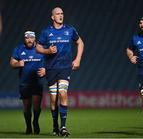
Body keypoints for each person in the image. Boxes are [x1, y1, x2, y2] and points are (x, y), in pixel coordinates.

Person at [36, 7, 84, 137]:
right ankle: (55, 125)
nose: (60, 15)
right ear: (52, 17)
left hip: (65, 67)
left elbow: (80, 43)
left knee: (63, 93)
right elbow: (38, 47)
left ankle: (63, 126)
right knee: (53, 98)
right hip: (51, 68)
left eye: (62, 13)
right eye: (57, 14)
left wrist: (78, 59)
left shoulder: (70, 29)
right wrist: (47, 51)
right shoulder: (46, 32)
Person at [10, 31, 45, 135]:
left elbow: (49, 62)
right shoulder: (19, 49)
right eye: (27, 38)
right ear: (24, 39)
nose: (29, 40)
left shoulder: (41, 49)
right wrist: (17, 63)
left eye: (31, 38)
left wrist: (46, 70)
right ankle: (28, 126)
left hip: (37, 82)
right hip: (24, 82)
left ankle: (35, 122)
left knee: (36, 105)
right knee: (27, 106)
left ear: (35, 38)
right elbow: (12, 63)